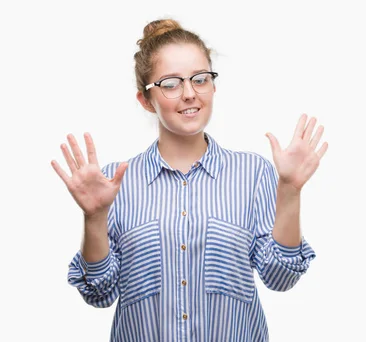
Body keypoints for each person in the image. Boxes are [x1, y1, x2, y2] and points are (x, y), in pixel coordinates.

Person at [51, 18, 328, 341]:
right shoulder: (113, 183)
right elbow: (99, 294)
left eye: (200, 79)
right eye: (170, 83)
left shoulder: (254, 174)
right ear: (145, 99)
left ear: (213, 85)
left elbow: (280, 278)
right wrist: (94, 217)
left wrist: (291, 191)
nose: (189, 94)